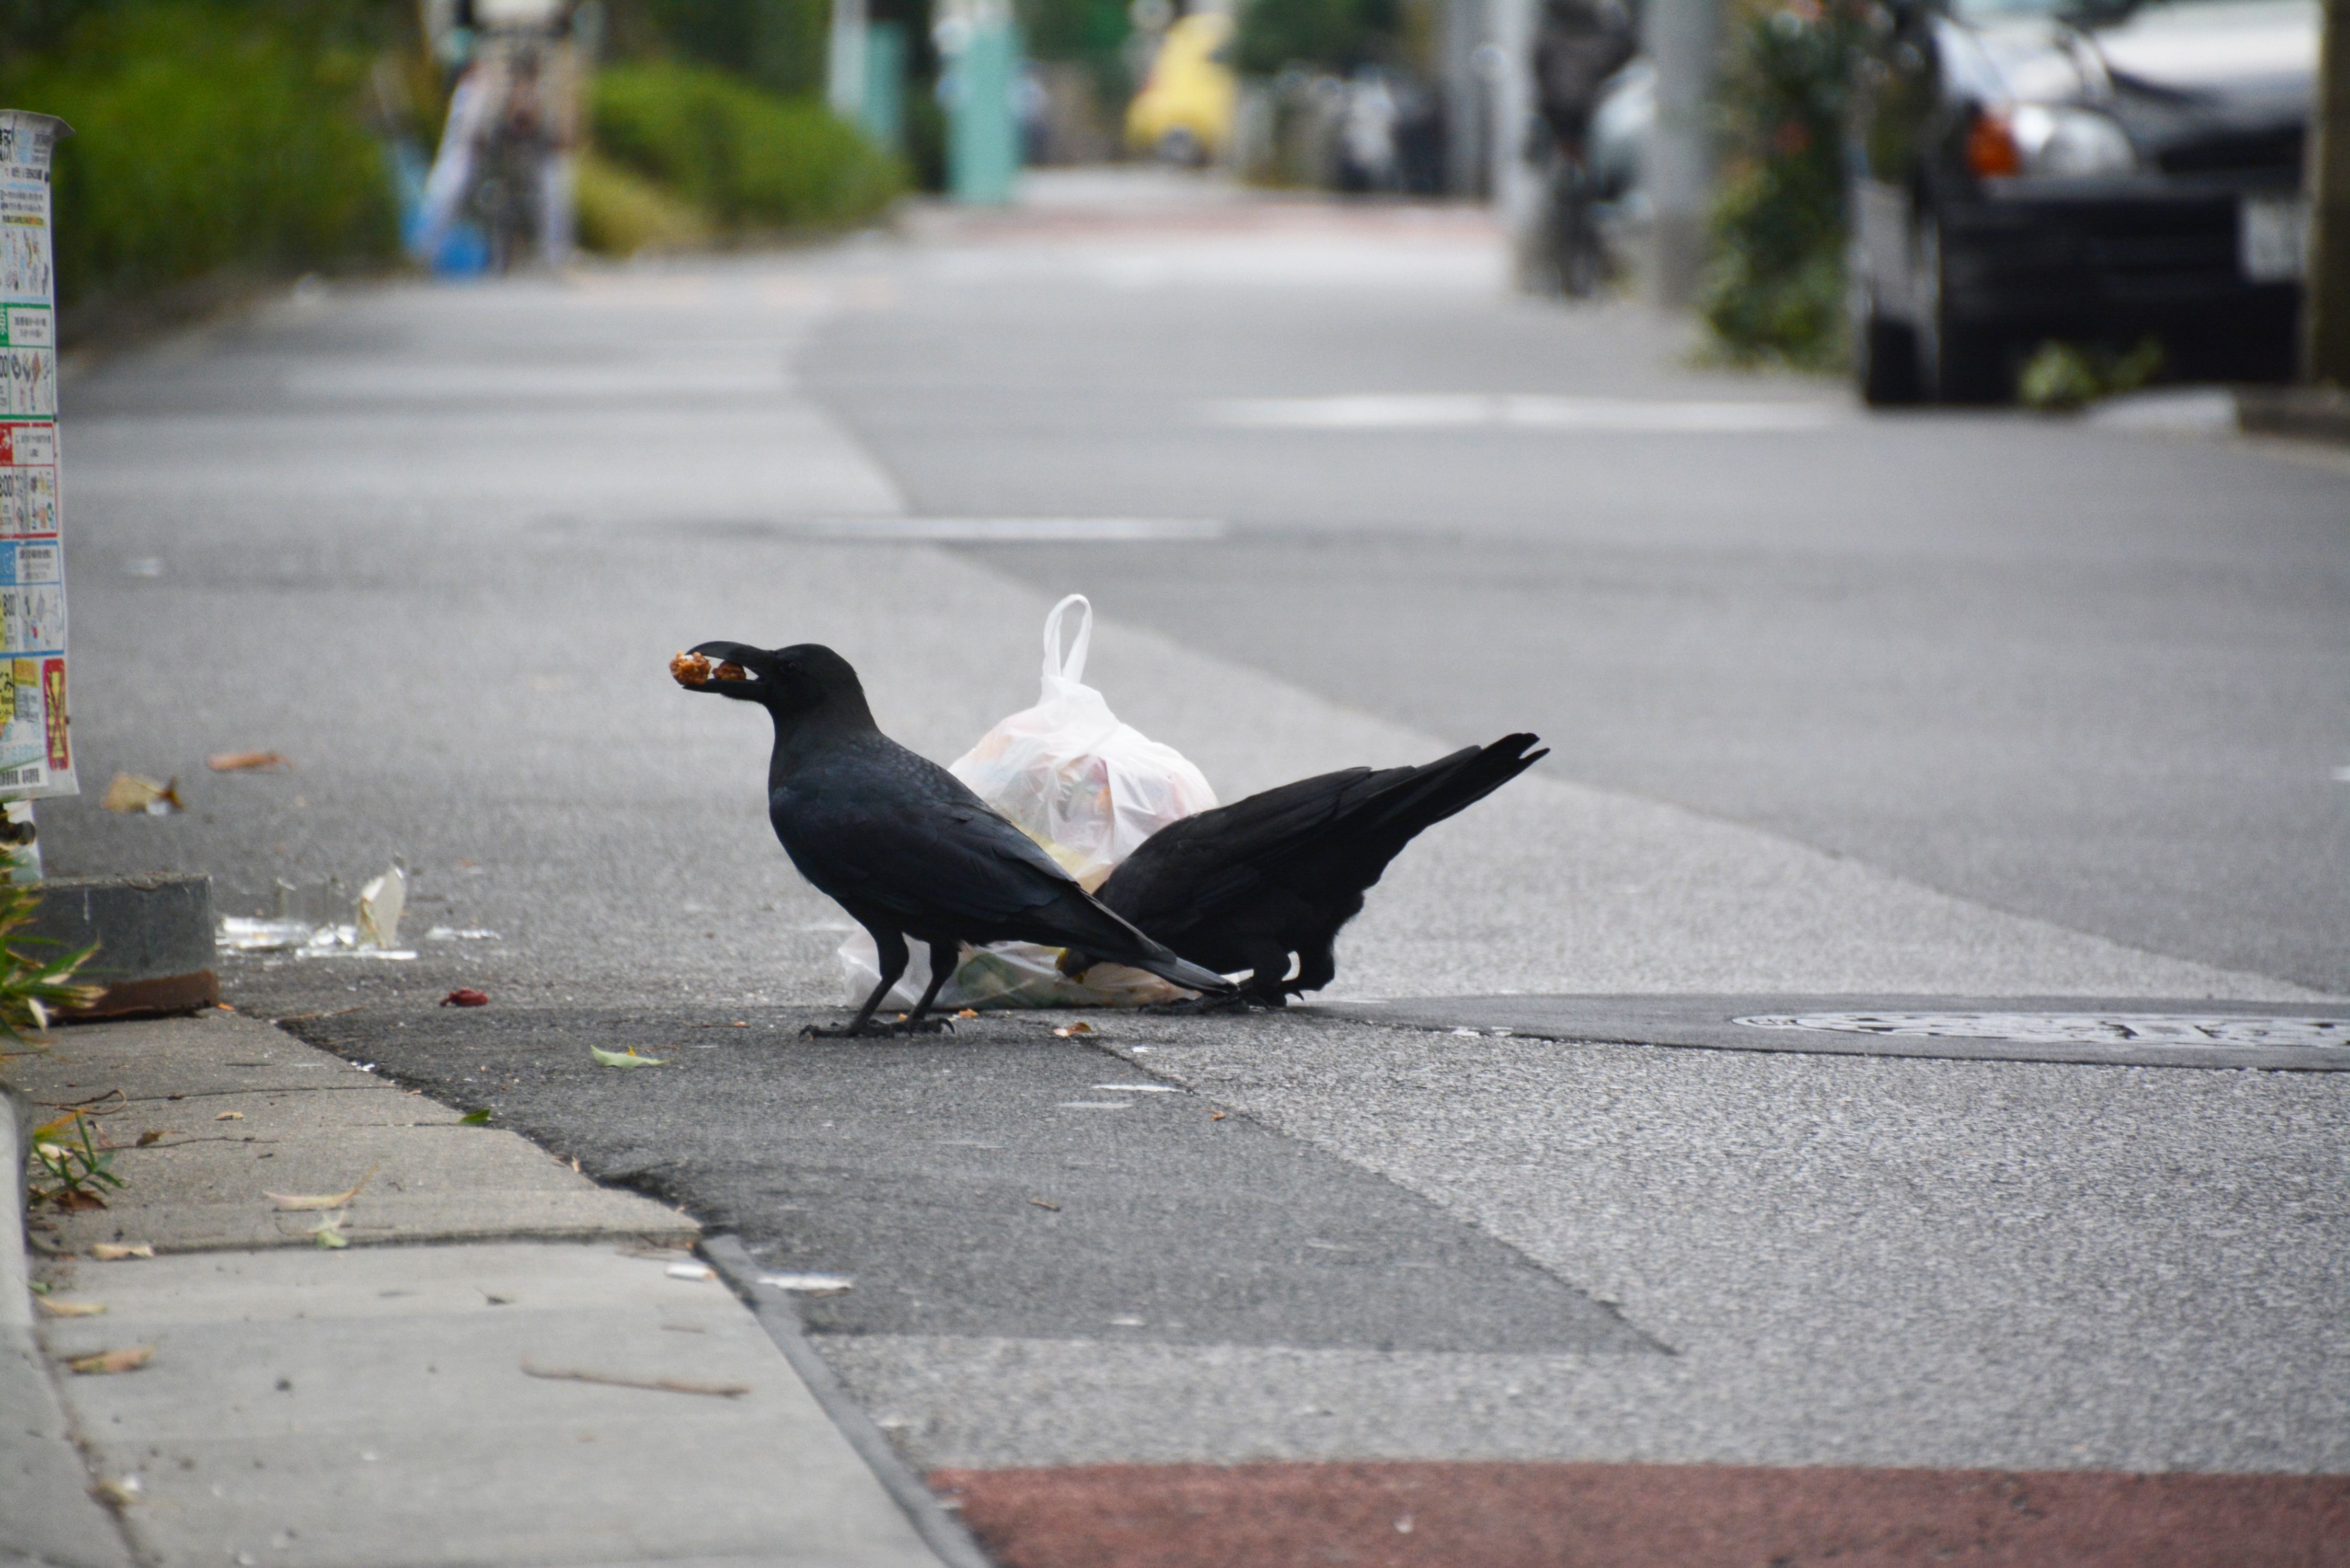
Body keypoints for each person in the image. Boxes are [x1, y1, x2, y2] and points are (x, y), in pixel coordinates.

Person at [1528, 0, 1636, 294]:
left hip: (1591, 119)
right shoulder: (1560, 30)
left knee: (1602, 186)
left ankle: (1593, 258)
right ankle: (1555, 257)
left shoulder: (1604, 24)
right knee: (1556, 182)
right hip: (1564, 119)